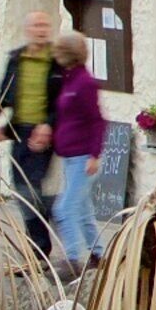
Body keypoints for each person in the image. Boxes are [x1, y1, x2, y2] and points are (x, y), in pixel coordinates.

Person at [0, 11, 61, 256]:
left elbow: (61, 101)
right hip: (19, 130)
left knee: (32, 186)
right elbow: (4, 91)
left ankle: (39, 247)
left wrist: (48, 124)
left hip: (43, 133)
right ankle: (50, 223)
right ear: (28, 30)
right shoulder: (17, 59)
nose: (41, 29)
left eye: (44, 25)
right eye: (36, 25)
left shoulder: (56, 62)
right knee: (21, 187)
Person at [48, 30, 111, 268]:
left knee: (64, 208)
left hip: (83, 158)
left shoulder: (84, 83)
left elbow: (97, 121)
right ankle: (98, 254)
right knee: (83, 210)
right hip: (70, 157)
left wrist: (95, 154)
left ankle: (72, 259)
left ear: (68, 54)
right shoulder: (69, 79)